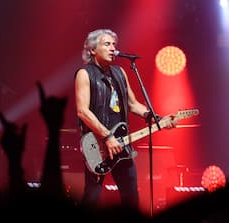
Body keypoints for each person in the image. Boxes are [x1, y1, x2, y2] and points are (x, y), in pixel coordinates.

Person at [74, 28, 176, 209]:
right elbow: (82, 111)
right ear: (92, 50)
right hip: (97, 145)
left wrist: (157, 118)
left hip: (122, 144)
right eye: (107, 44)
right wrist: (107, 136)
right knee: (92, 198)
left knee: (131, 198)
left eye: (114, 44)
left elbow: (133, 104)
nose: (113, 48)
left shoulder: (120, 73)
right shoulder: (85, 74)